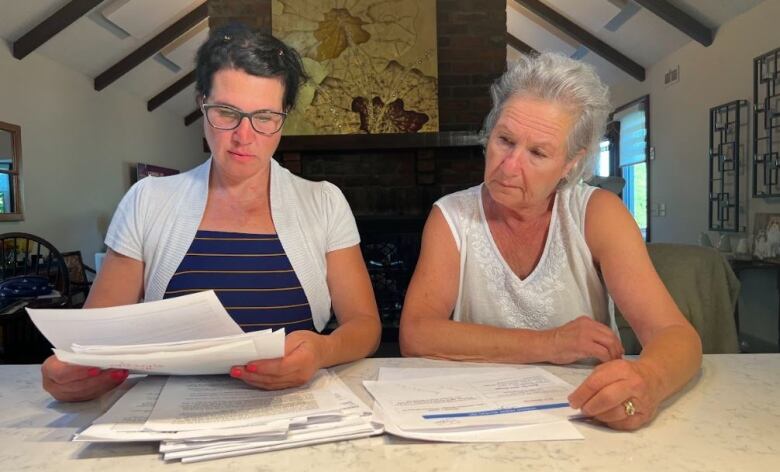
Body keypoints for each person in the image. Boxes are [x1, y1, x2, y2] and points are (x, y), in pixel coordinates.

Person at [42, 23, 381, 402]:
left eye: (265, 117)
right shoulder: (147, 201)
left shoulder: (323, 202)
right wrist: (74, 370)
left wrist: (323, 351)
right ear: (201, 102)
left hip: (292, 408)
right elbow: (93, 338)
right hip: (169, 416)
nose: (244, 136)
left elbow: (365, 325)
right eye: (226, 112)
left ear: (284, 116)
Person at [399, 53, 702, 431]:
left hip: (587, 416)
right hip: (478, 415)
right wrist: (550, 343)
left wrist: (650, 380)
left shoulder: (597, 213)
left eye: (538, 153)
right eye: (504, 140)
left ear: (571, 164)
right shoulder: (452, 216)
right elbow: (417, 333)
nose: (508, 167)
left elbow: (675, 335)